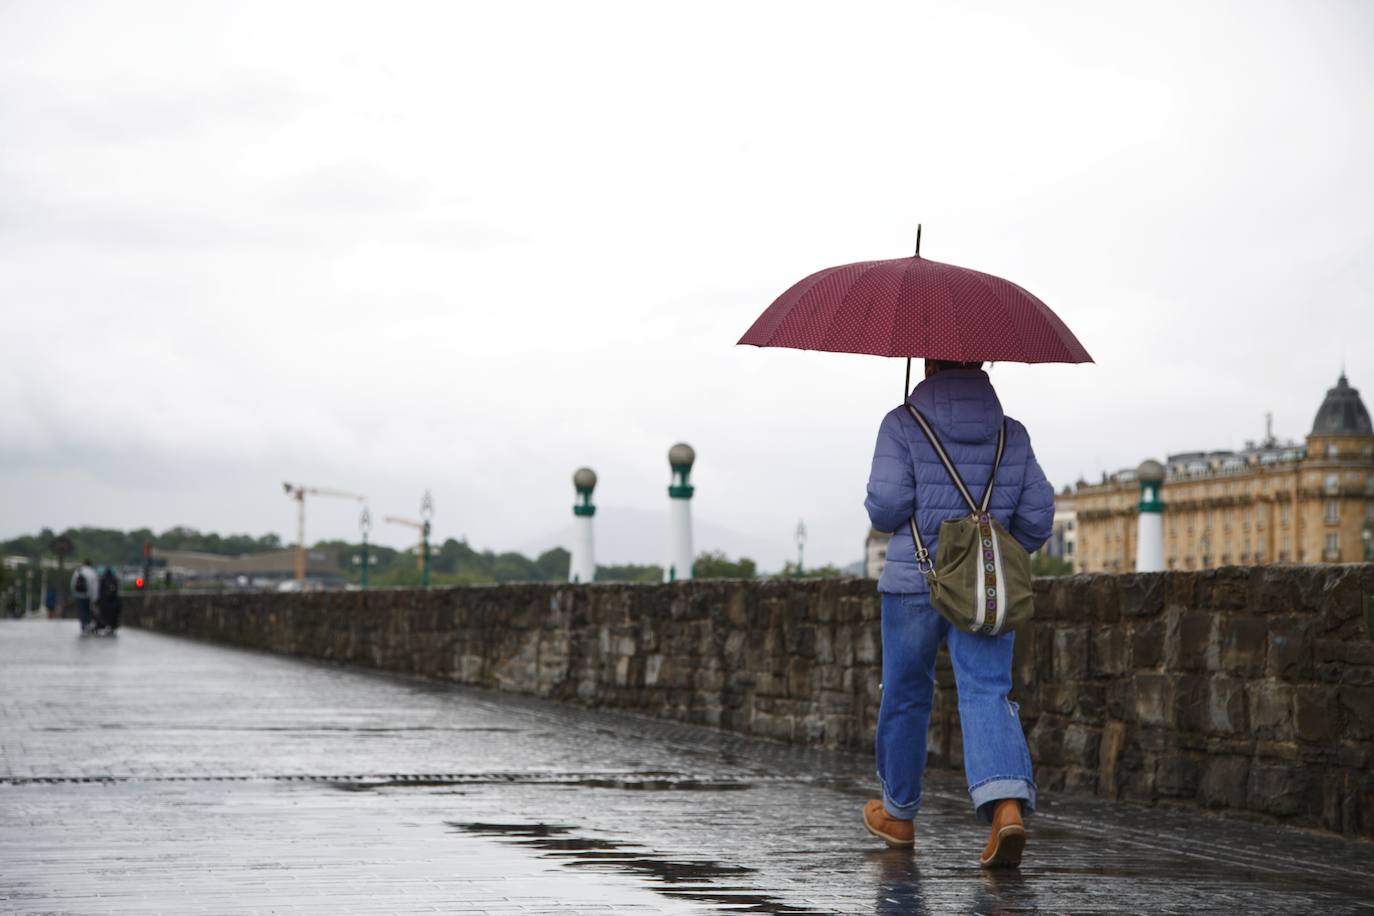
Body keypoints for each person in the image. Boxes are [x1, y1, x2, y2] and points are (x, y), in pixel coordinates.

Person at [862, 359, 1054, 868]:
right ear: (981, 361)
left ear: (927, 360)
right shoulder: (1011, 434)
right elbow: (1037, 519)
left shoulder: (902, 423)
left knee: (905, 694)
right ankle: (1005, 807)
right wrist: (991, 541)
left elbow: (884, 507)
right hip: (986, 587)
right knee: (988, 690)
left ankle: (899, 814)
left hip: (913, 580)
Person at [71, 559, 100, 634]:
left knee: (81, 610)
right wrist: (95, 597)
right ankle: (88, 624)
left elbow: (73, 583)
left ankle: (83, 625)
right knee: (88, 610)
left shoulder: (78, 571)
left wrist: (74, 593)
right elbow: (95, 586)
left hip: (79, 594)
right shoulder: (93, 573)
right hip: (89, 595)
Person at [95, 566, 121, 636]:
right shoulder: (114, 580)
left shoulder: (103, 580)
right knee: (113, 617)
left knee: (103, 616)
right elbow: (116, 592)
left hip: (104, 603)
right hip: (113, 603)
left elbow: (100, 591)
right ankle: (112, 627)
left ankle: (104, 626)